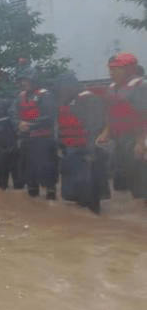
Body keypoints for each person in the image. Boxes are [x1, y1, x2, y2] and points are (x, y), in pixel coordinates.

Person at [56, 72, 109, 213]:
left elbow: (94, 126)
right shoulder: (66, 102)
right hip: (70, 151)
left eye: (64, 87)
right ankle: (83, 223)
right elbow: (60, 127)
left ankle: (96, 219)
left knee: (90, 192)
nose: (62, 90)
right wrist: (60, 146)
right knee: (75, 194)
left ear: (73, 86)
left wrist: (91, 152)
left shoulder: (89, 99)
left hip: (86, 151)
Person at [96, 52, 147, 199]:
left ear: (130, 70)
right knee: (125, 178)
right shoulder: (112, 88)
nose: (111, 72)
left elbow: (144, 117)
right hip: (121, 139)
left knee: (141, 179)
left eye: (116, 69)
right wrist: (106, 133)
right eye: (111, 69)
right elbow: (111, 114)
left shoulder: (140, 87)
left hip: (138, 138)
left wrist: (140, 143)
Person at [11, 67, 58, 200]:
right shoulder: (20, 97)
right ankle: (33, 200)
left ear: (35, 80)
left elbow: (49, 117)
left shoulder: (45, 95)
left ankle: (51, 197)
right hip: (27, 141)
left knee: (48, 173)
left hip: (44, 140)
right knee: (29, 174)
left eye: (27, 80)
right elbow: (12, 113)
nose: (24, 83)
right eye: (23, 81)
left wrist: (30, 126)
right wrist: (18, 124)